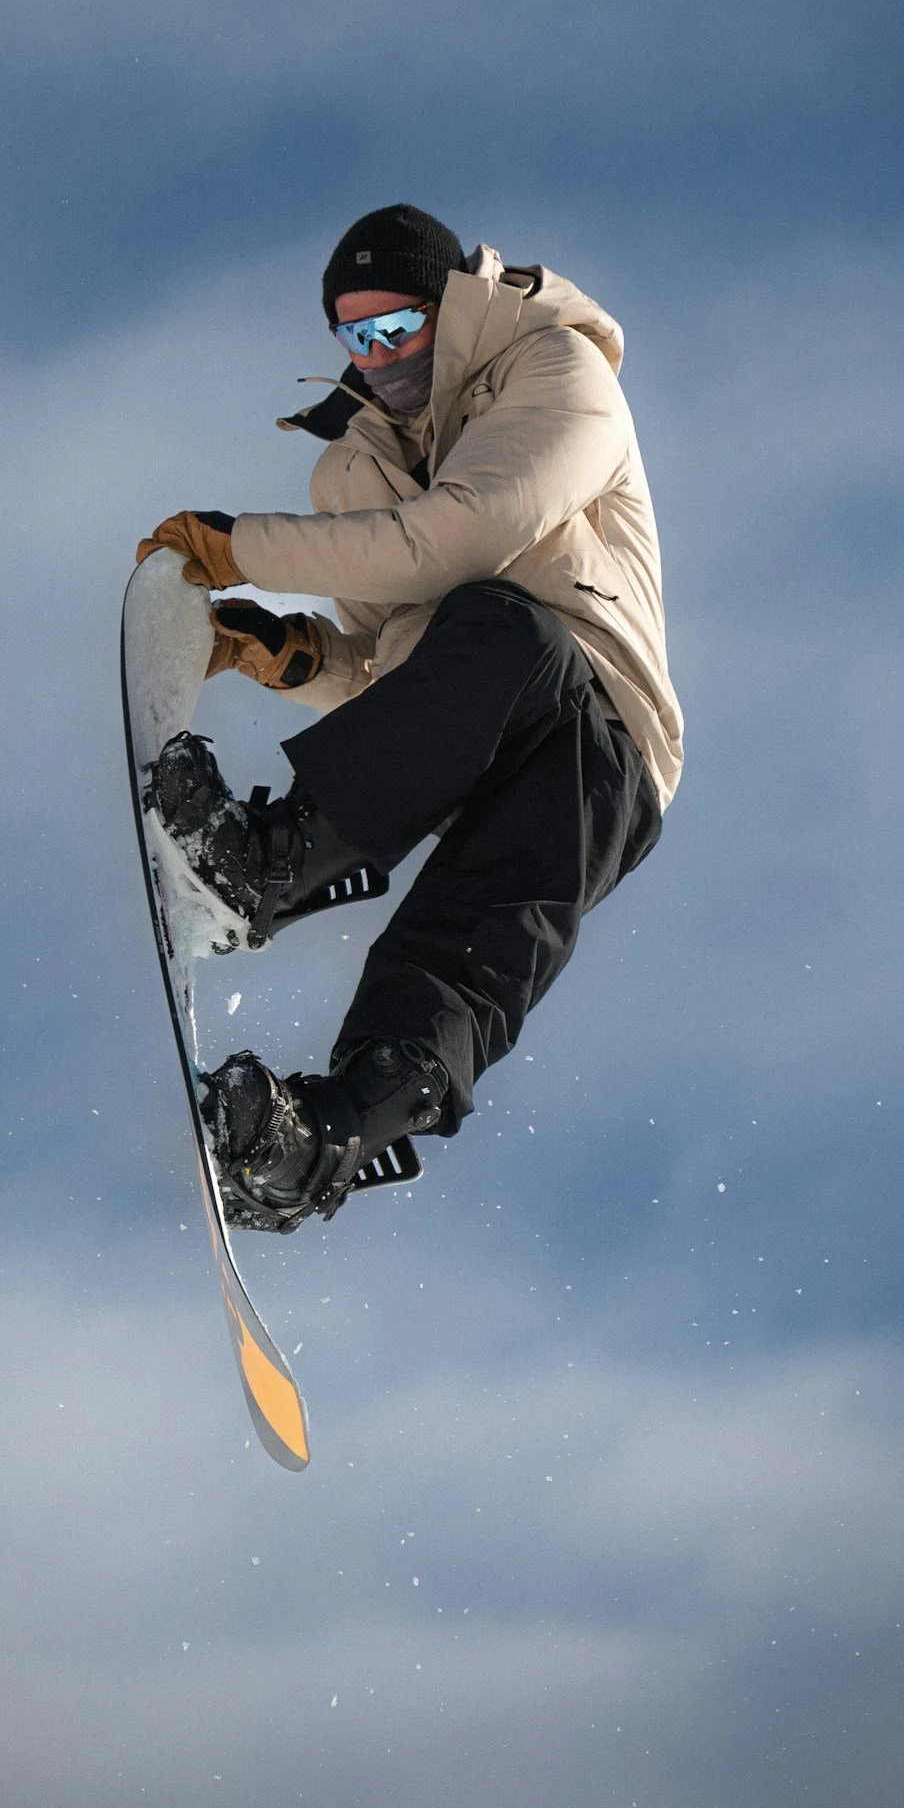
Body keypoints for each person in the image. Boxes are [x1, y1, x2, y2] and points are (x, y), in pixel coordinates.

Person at [137, 202, 682, 1233]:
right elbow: (404, 693)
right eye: (354, 338)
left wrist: (238, 546)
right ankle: (309, 1143)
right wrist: (294, 656)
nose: (378, 359)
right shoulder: (357, 466)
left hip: (602, 731)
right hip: (488, 708)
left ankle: (274, 894)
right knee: (454, 928)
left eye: (398, 330)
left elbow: (454, 541)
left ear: (453, 312)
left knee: (503, 637)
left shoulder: (560, 373)